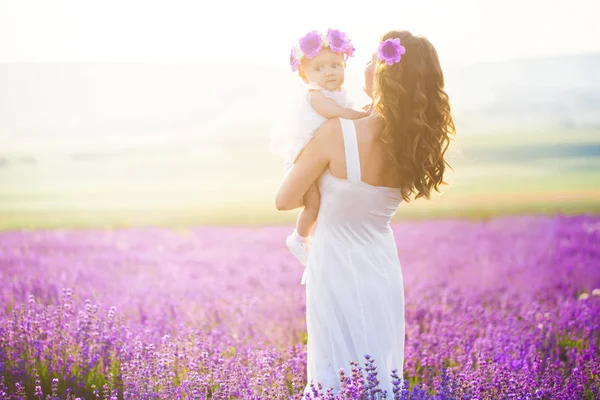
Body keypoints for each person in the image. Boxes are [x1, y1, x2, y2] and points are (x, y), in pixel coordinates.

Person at [275, 30, 456, 395]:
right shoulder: (413, 146)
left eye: (373, 61)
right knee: (377, 372)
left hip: (335, 265)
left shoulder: (335, 132)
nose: (365, 66)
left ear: (386, 74)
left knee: (336, 374)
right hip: (382, 268)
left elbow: (284, 199)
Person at [269, 29, 366, 266]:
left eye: (335, 65)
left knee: (326, 200)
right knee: (314, 204)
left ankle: (323, 241)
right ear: (305, 76)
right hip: (303, 157)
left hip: (321, 158)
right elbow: (339, 114)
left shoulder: (338, 93)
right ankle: (299, 238)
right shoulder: (315, 95)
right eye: (319, 69)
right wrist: (366, 116)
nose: (329, 72)